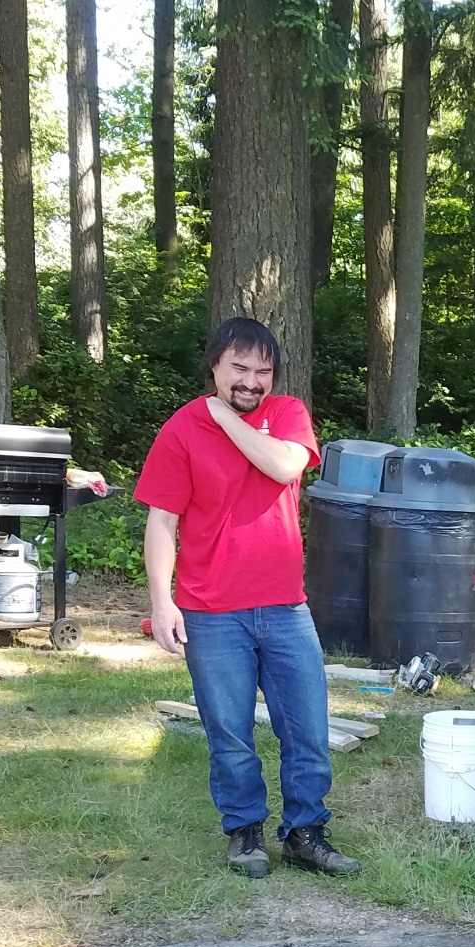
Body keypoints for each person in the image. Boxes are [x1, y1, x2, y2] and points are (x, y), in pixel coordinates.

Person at [138, 317, 360, 880]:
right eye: (238, 368)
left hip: (285, 606)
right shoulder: (180, 431)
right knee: (230, 734)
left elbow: (285, 464)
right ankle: (245, 834)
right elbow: (162, 521)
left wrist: (223, 418)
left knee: (307, 729)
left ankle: (306, 834)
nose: (251, 381)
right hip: (210, 611)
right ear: (214, 365)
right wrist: (162, 603)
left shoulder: (287, 416)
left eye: (262, 371)